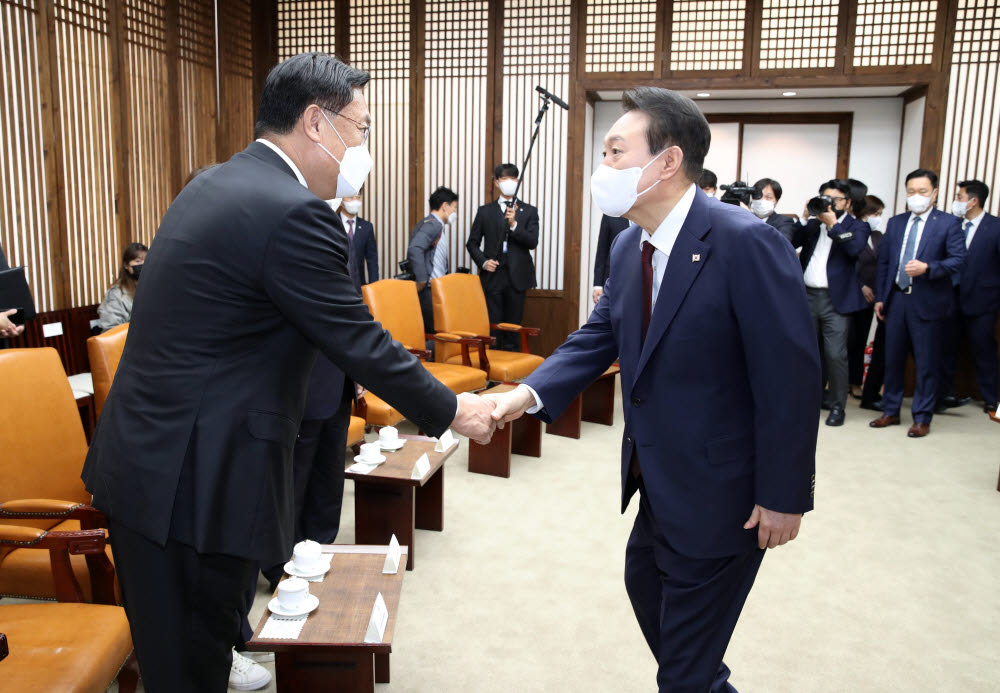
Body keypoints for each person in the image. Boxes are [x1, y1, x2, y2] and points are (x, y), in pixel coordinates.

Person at [80, 52, 496, 693]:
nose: (362, 146)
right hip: (192, 485)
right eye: (359, 128)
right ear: (315, 123)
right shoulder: (293, 213)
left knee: (190, 654)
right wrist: (457, 410)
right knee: (190, 667)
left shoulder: (216, 182)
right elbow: (357, 338)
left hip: (155, 465)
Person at [484, 87, 819, 693]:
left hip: (725, 494)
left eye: (615, 152)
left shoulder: (744, 241)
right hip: (656, 481)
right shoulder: (625, 243)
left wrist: (785, 494)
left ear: (666, 162)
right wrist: (520, 396)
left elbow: (791, 378)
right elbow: (598, 338)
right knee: (649, 592)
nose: (602, 167)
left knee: (685, 672)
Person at [870, 168, 965, 437]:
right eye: (911, 192)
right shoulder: (897, 222)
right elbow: (886, 262)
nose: (916, 197)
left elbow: (959, 260)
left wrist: (928, 268)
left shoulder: (948, 223)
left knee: (926, 362)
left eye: (922, 192)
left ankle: (922, 417)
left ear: (934, 193)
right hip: (896, 300)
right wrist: (881, 297)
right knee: (893, 359)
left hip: (929, 301)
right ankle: (890, 410)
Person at [792, 179, 870, 426]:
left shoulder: (857, 226)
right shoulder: (814, 224)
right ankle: (810, 401)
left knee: (836, 355)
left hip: (835, 301)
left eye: (835, 199)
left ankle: (838, 407)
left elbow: (854, 249)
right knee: (808, 354)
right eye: (825, 197)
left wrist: (834, 225)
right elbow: (791, 242)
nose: (829, 203)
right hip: (807, 296)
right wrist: (805, 218)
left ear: (846, 202)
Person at [938, 179, 1000, 414]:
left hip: (982, 302)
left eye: (960, 197)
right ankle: (945, 394)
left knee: (984, 350)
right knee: (946, 349)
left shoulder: (996, 227)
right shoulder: (952, 225)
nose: (957, 201)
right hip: (948, 299)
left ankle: (991, 398)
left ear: (974, 201)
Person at [466, 164, 540, 351]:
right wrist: (483, 261)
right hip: (493, 277)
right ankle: (493, 372)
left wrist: (514, 224)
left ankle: (512, 372)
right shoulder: (485, 211)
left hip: (518, 277)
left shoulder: (529, 211)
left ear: (518, 182)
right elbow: (472, 243)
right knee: (493, 326)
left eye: (513, 179)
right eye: (505, 179)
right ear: (497, 183)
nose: (509, 183)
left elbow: (532, 242)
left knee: (513, 327)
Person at [408, 186, 458, 333]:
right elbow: (415, 248)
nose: (455, 212)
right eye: (454, 207)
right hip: (429, 289)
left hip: (433, 287)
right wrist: (422, 280)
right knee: (436, 333)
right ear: (444, 206)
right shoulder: (433, 225)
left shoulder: (430, 222)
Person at [857, 195, 887, 410]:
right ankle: (853, 382)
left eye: (880, 215)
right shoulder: (856, 232)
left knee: (864, 336)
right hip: (856, 291)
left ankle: (859, 381)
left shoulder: (878, 236)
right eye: (875, 214)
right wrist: (861, 286)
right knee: (853, 341)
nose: (877, 218)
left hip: (874, 295)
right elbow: (846, 265)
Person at [96, 242, 147, 333]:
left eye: (146, 260)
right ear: (126, 265)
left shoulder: (152, 288)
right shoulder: (117, 294)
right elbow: (110, 330)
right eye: (138, 261)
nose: (143, 264)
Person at [339, 191, 378, 292]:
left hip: (359, 284)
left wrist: (374, 287)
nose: (355, 201)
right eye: (350, 198)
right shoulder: (333, 223)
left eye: (358, 197)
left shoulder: (367, 227)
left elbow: (372, 259)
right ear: (341, 201)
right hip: (337, 283)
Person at [592, 214, 630, 304]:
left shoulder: (643, 214)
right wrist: (598, 285)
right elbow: (602, 250)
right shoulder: (611, 215)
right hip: (612, 278)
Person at [750, 177, 796, 243]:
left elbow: (781, 243)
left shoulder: (784, 222)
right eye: (758, 196)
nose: (761, 200)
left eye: (768, 197)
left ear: (776, 202)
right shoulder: (744, 218)